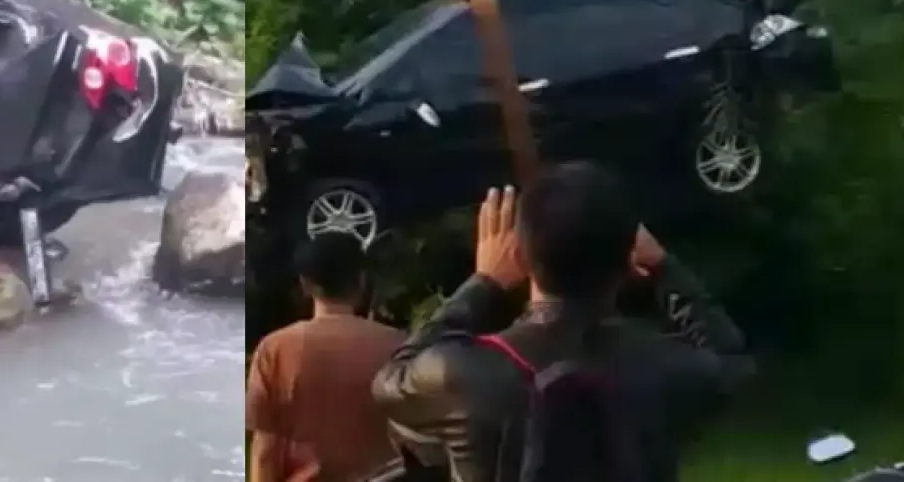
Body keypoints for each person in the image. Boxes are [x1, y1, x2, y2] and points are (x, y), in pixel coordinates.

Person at [371, 161, 756, 482]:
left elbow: (391, 378)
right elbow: (731, 361)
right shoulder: (665, 366)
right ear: (628, 260)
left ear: (520, 254)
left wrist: (484, 282)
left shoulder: (461, 374)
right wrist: (664, 268)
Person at [247, 231, 408, 481]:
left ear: (305, 284)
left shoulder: (276, 349)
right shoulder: (400, 346)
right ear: (362, 281)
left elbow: (266, 452)